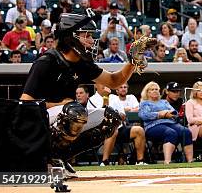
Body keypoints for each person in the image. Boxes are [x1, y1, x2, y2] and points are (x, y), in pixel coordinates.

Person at [19, 10, 151, 177]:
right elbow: (24, 104)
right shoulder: (47, 62)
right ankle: (45, 160)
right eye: (86, 35)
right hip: (39, 121)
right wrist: (58, 105)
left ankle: (61, 158)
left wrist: (132, 63)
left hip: (65, 114)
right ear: (70, 36)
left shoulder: (82, 63)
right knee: (74, 112)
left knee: (111, 118)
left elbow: (113, 81)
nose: (91, 40)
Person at [138, 81, 193, 164]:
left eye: (156, 89)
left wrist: (169, 114)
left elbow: (174, 112)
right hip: (153, 126)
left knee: (186, 131)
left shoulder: (164, 102)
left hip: (170, 123)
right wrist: (159, 114)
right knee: (170, 132)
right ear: (147, 92)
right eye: (152, 89)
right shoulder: (145, 103)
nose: (155, 91)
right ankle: (167, 161)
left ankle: (190, 161)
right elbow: (144, 115)